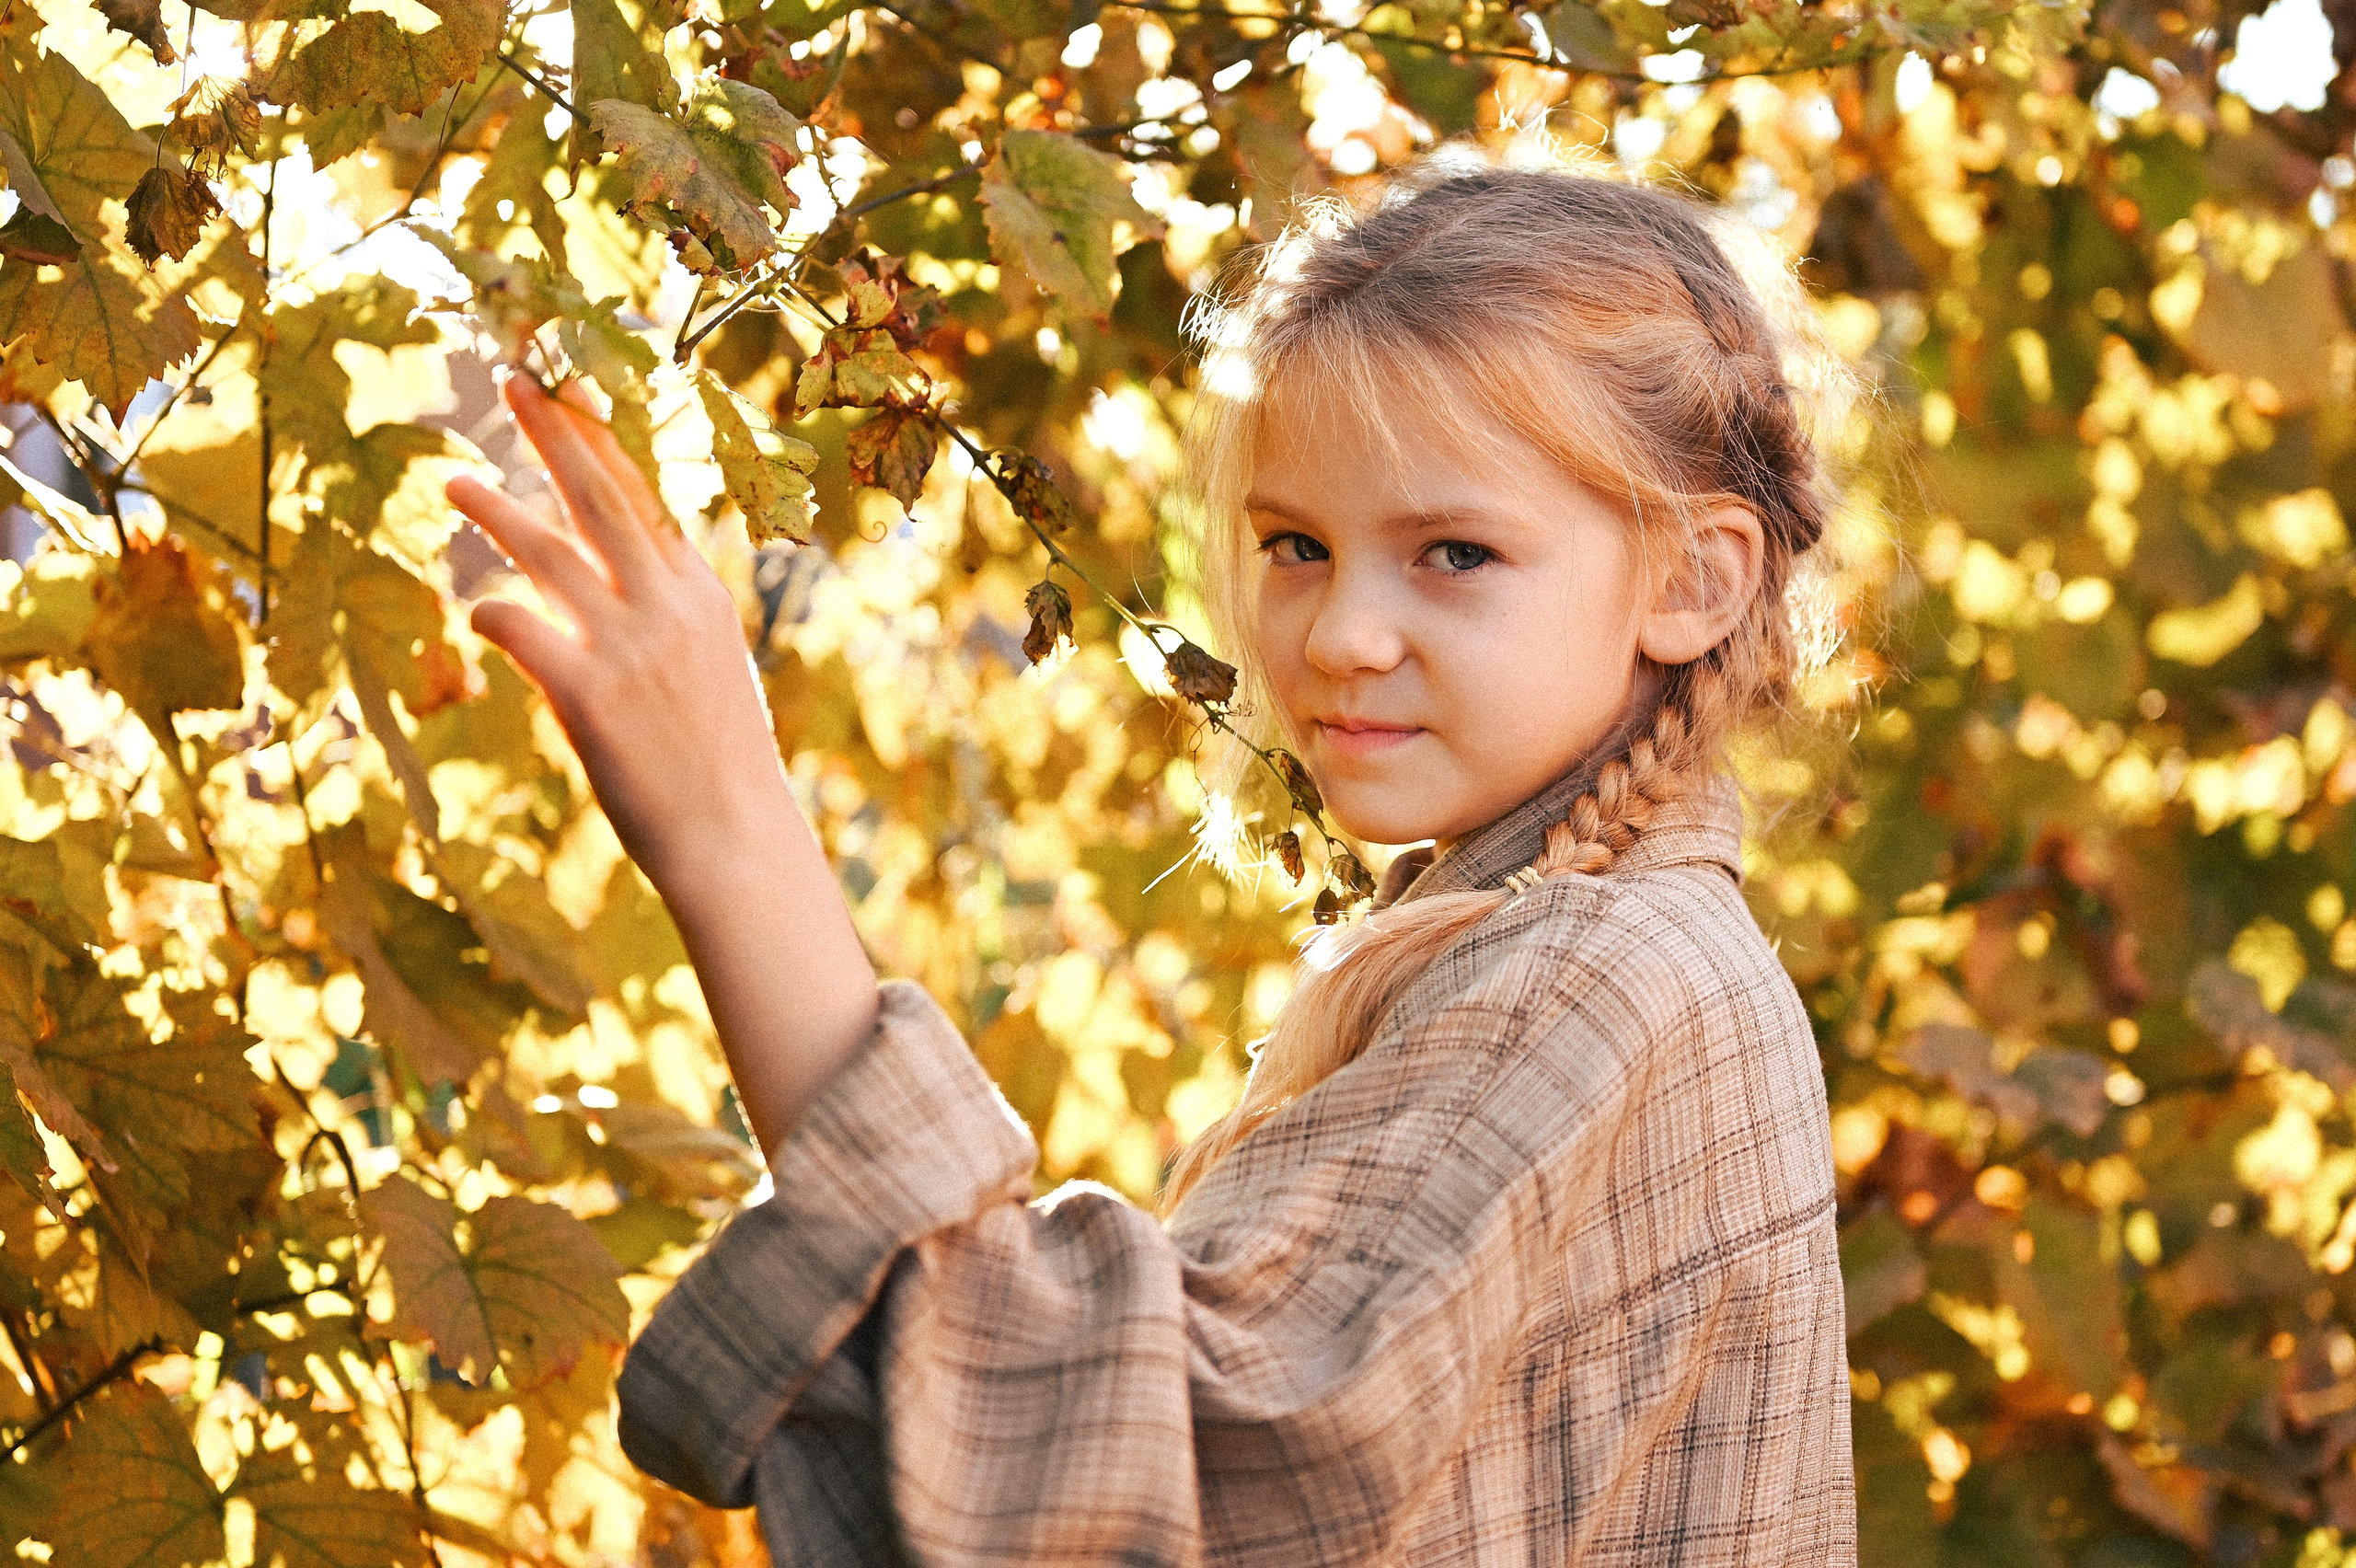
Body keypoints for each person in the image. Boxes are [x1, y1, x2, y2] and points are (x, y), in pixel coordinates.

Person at [445, 155, 1857, 1566]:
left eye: (1454, 553)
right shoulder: (1566, 934)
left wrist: (728, 831)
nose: (1338, 635)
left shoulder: (1601, 973)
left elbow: (1146, 1475)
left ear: (1693, 580)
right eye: (1296, 545)